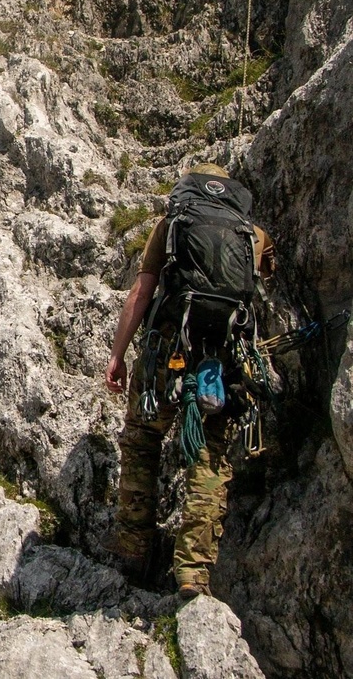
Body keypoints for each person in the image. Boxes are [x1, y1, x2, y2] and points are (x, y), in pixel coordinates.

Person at [105, 163, 276, 598]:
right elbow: (262, 281)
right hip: (220, 361)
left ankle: (133, 552)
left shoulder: (173, 223)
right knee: (210, 457)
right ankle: (192, 573)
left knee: (143, 440)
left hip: (168, 352)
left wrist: (118, 354)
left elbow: (141, 292)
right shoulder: (251, 234)